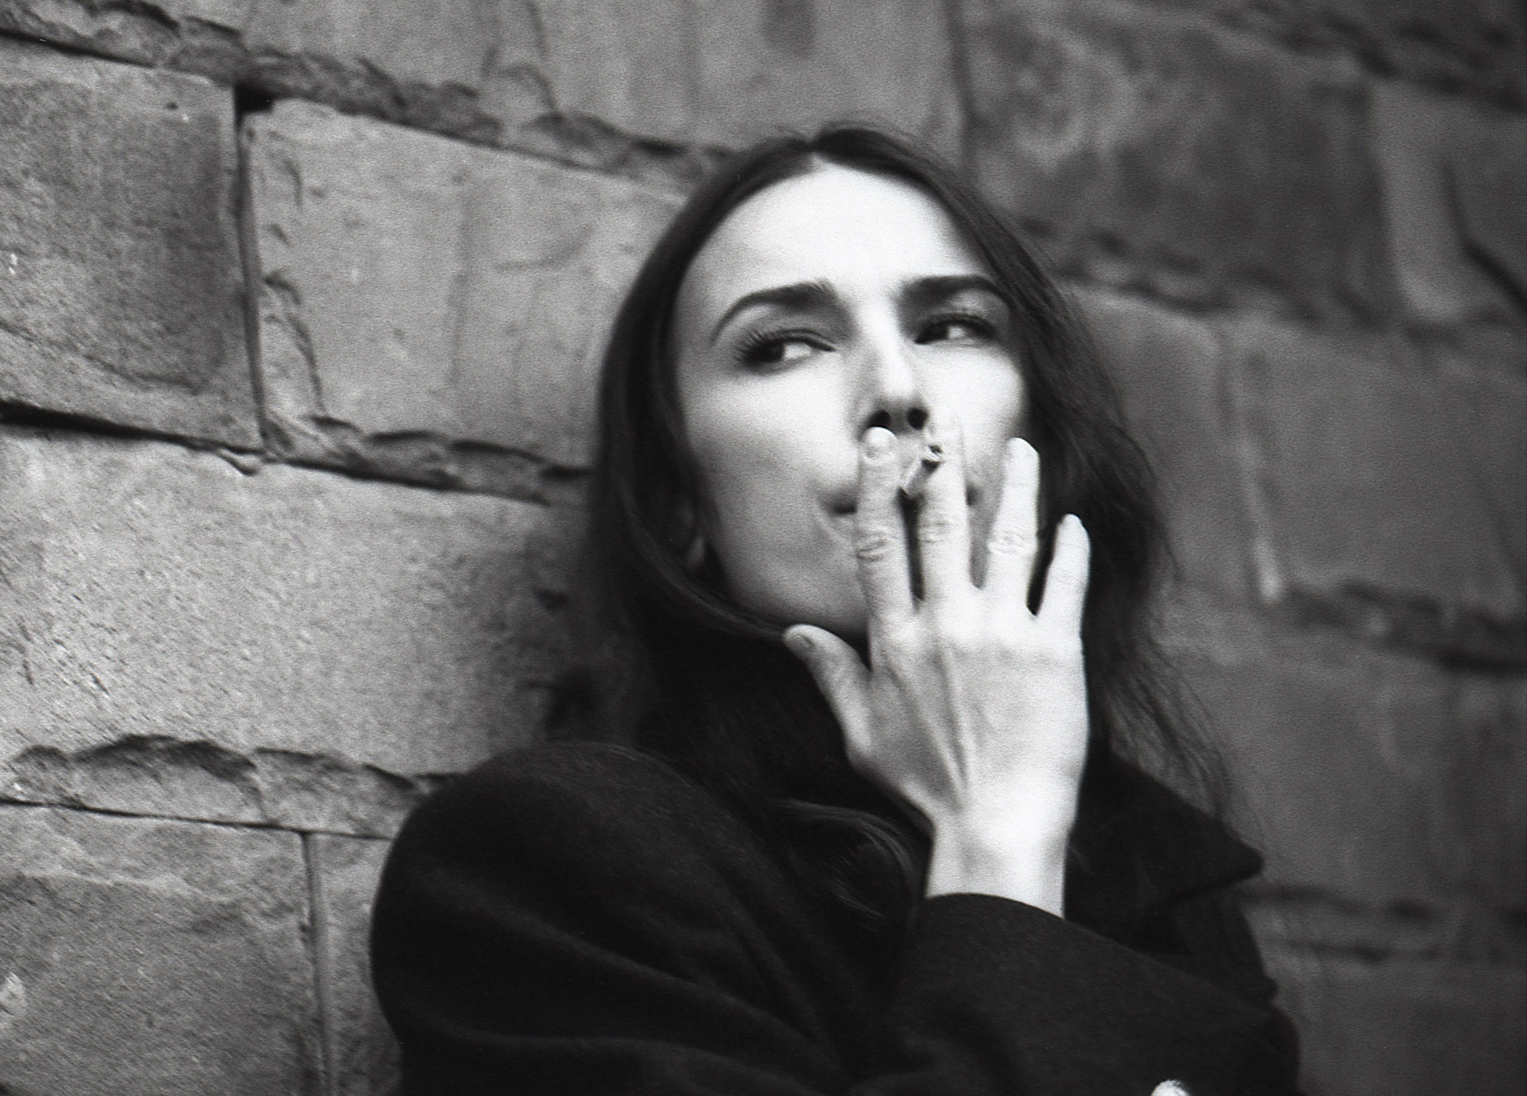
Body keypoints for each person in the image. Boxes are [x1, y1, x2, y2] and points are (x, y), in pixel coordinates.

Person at [369, 125, 1302, 1094]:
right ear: (680, 499)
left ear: (1040, 423)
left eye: (952, 327)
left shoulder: (1164, 889)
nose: (897, 391)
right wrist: (997, 839)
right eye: (785, 346)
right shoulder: (554, 869)